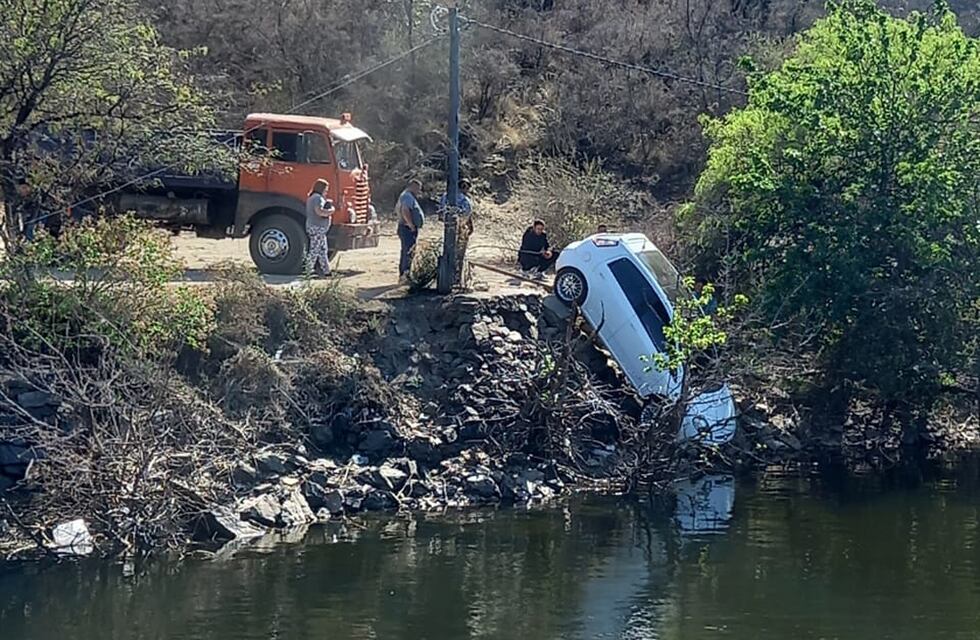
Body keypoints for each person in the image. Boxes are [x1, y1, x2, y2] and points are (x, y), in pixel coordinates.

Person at [305, 178, 335, 276]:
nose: (326, 192)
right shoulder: (317, 198)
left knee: (322, 250)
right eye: (326, 189)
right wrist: (330, 211)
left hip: (317, 228)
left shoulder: (312, 197)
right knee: (314, 250)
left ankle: (326, 271)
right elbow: (319, 212)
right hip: (317, 227)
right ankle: (308, 271)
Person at [396, 178, 424, 280]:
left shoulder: (407, 196)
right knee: (408, 251)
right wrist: (411, 225)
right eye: (418, 188)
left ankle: (405, 274)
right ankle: (405, 274)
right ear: (413, 186)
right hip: (407, 228)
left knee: (407, 250)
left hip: (407, 227)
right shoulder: (407, 196)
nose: (419, 191)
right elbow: (405, 210)